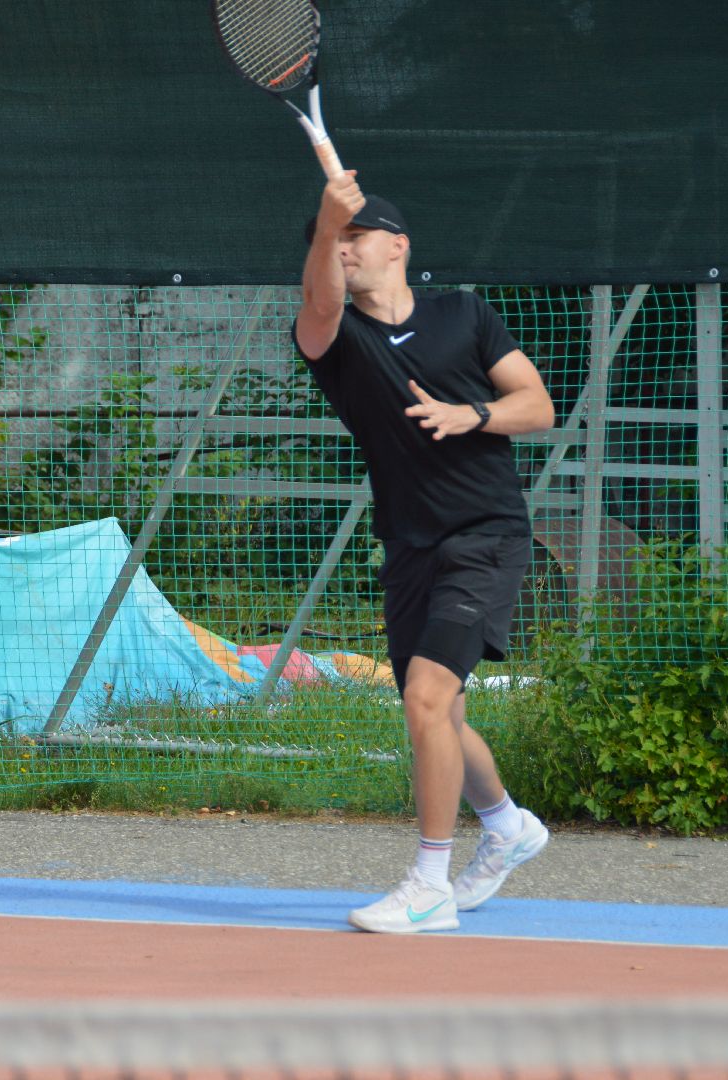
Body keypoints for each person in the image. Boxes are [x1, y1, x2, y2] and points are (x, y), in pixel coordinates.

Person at [293, 170, 556, 934]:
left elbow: (535, 405)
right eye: (329, 243)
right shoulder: (335, 339)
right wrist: (325, 222)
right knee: (441, 711)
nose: (341, 251)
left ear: (398, 246)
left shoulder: (464, 314)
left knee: (426, 700)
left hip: (487, 536)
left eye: (355, 237)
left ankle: (430, 883)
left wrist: (469, 414)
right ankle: (507, 827)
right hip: (409, 544)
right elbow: (317, 302)